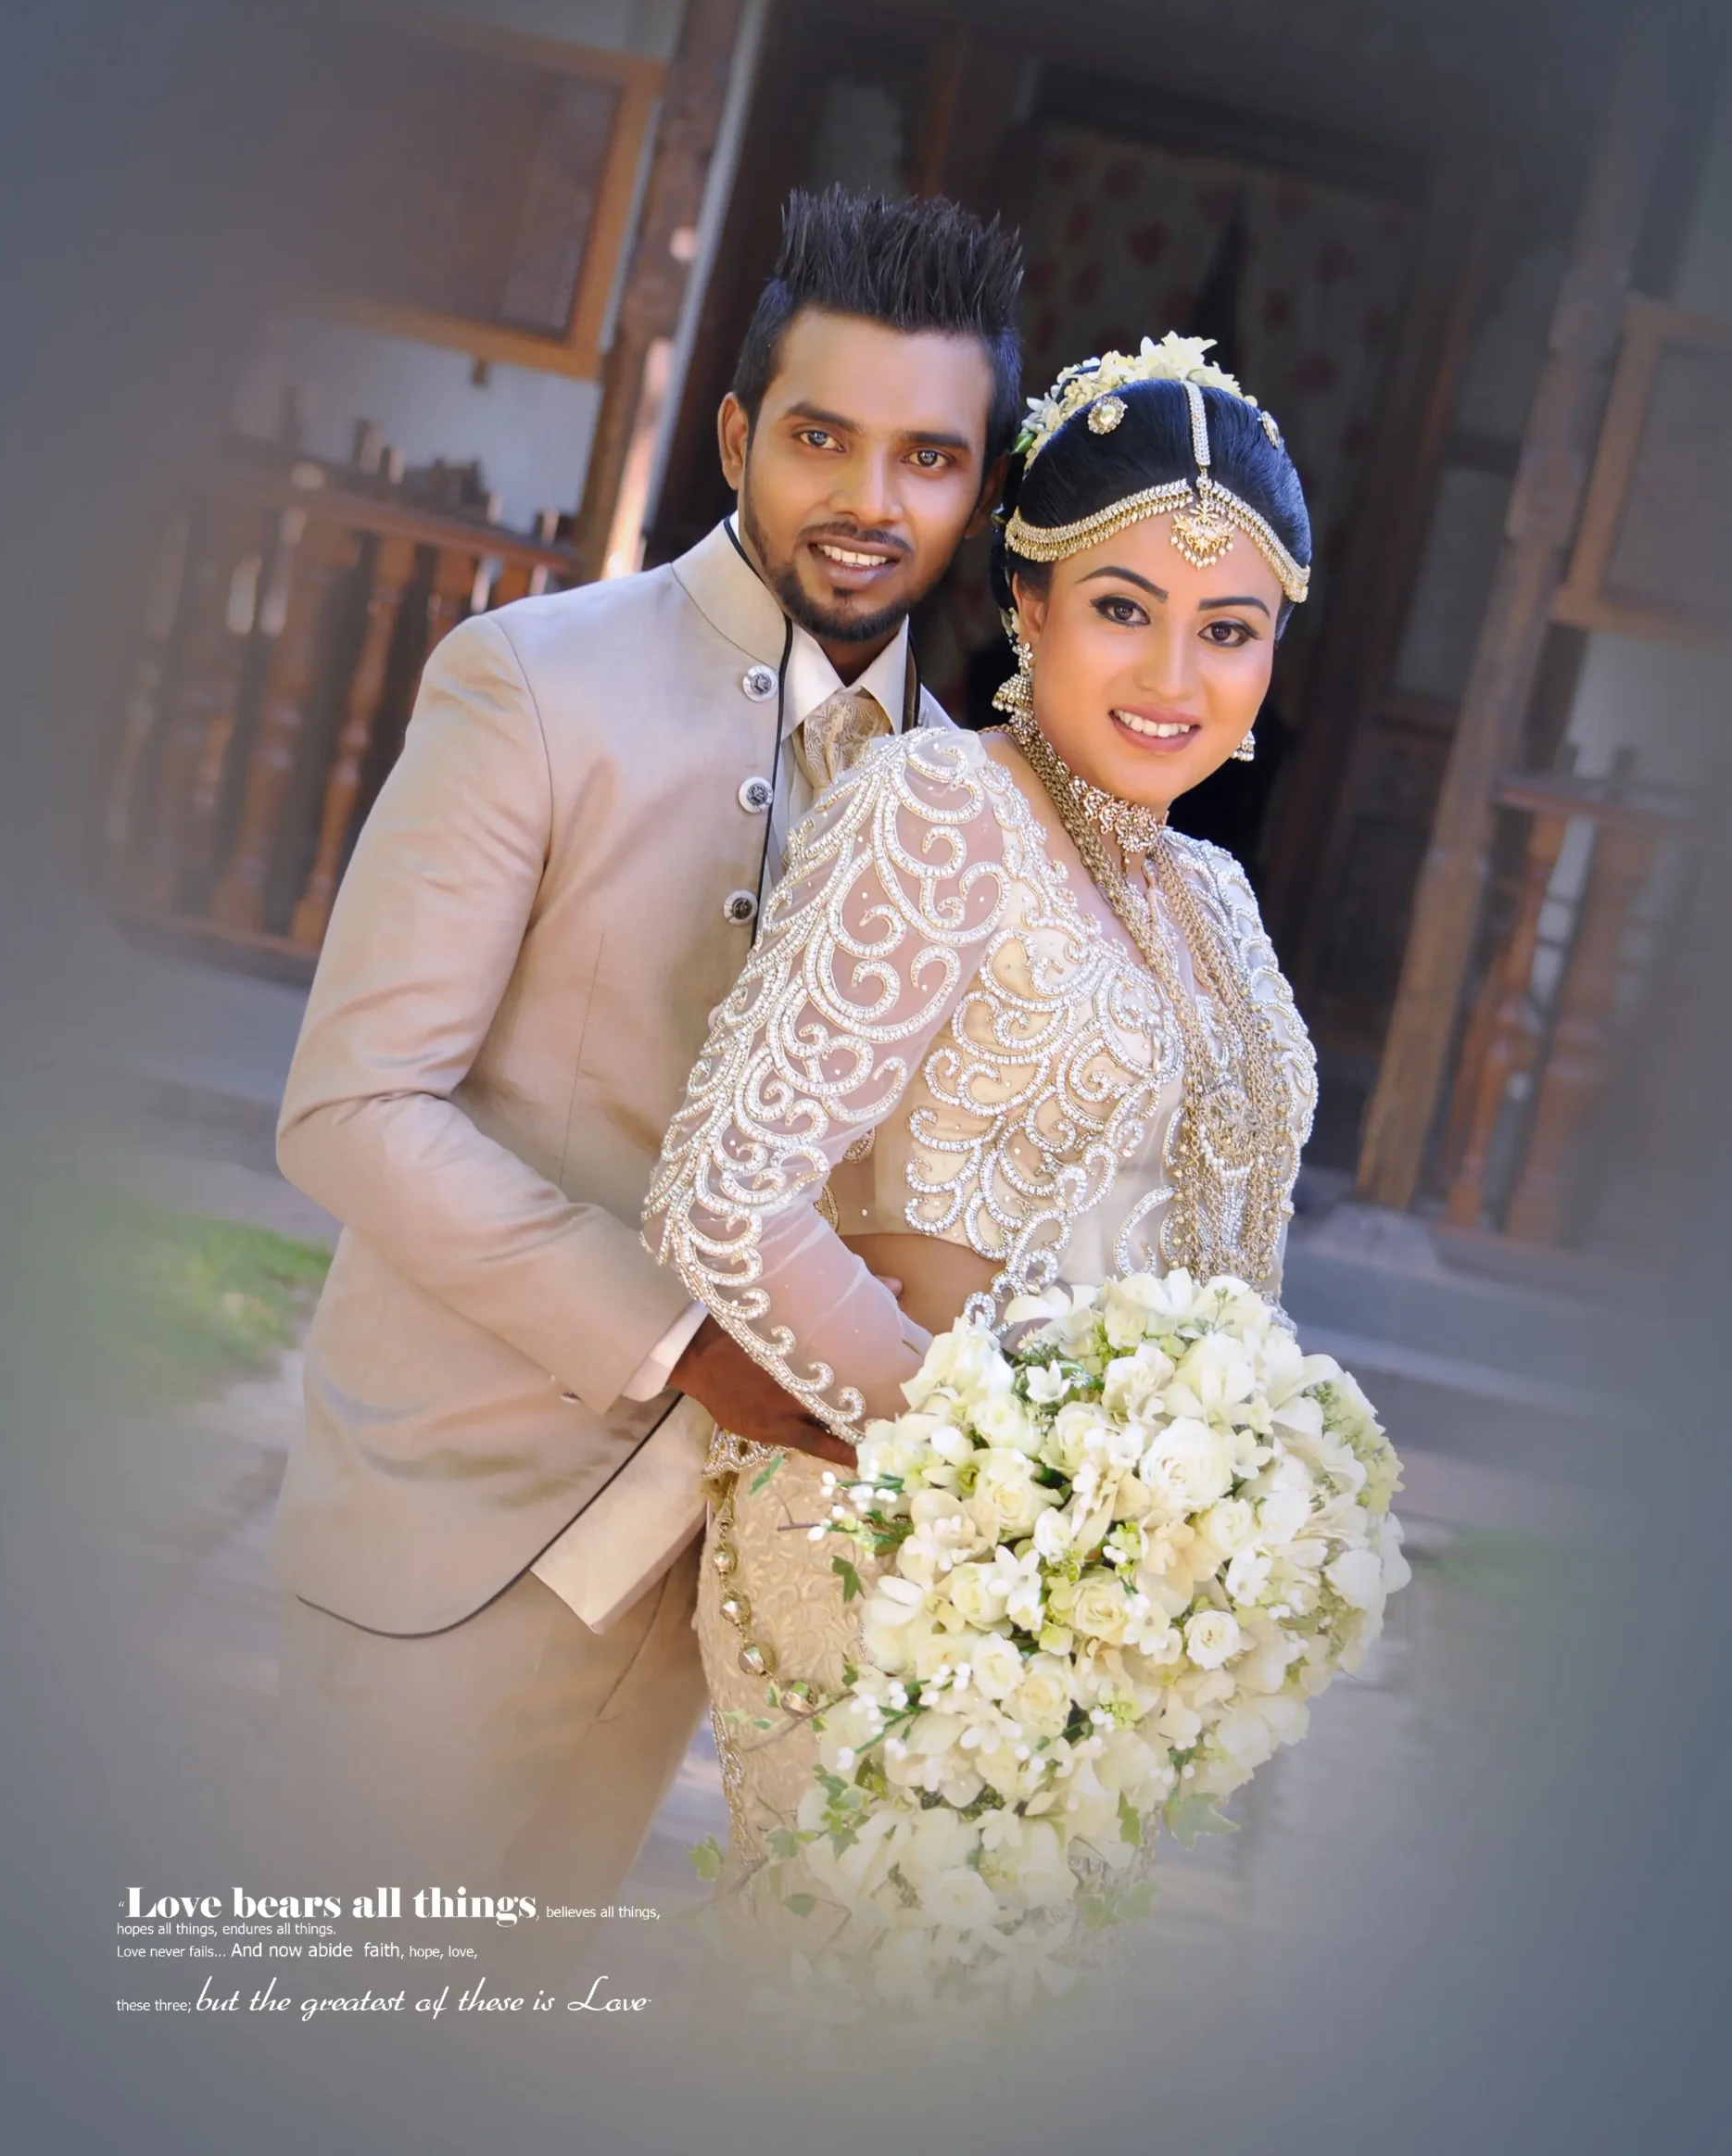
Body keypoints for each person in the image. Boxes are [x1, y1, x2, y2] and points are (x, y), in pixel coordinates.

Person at [269, 185, 1025, 1899]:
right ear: (739, 431)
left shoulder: (978, 793)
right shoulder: (532, 682)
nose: (868, 500)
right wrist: (684, 1340)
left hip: (721, 1584)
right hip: (453, 1523)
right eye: (823, 438)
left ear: (978, 490)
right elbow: (352, 1109)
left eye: (928, 456)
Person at [643, 335, 1319, 1892]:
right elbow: (725, 1194)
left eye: (1226, 631)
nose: (1172, 679)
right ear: (1026, 603)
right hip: (889, 1558)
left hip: (1099, 1605)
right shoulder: (943, 811)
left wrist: (1209, 1523)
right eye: (1121, 611)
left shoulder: (1211, 897)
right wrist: (977, 1479)